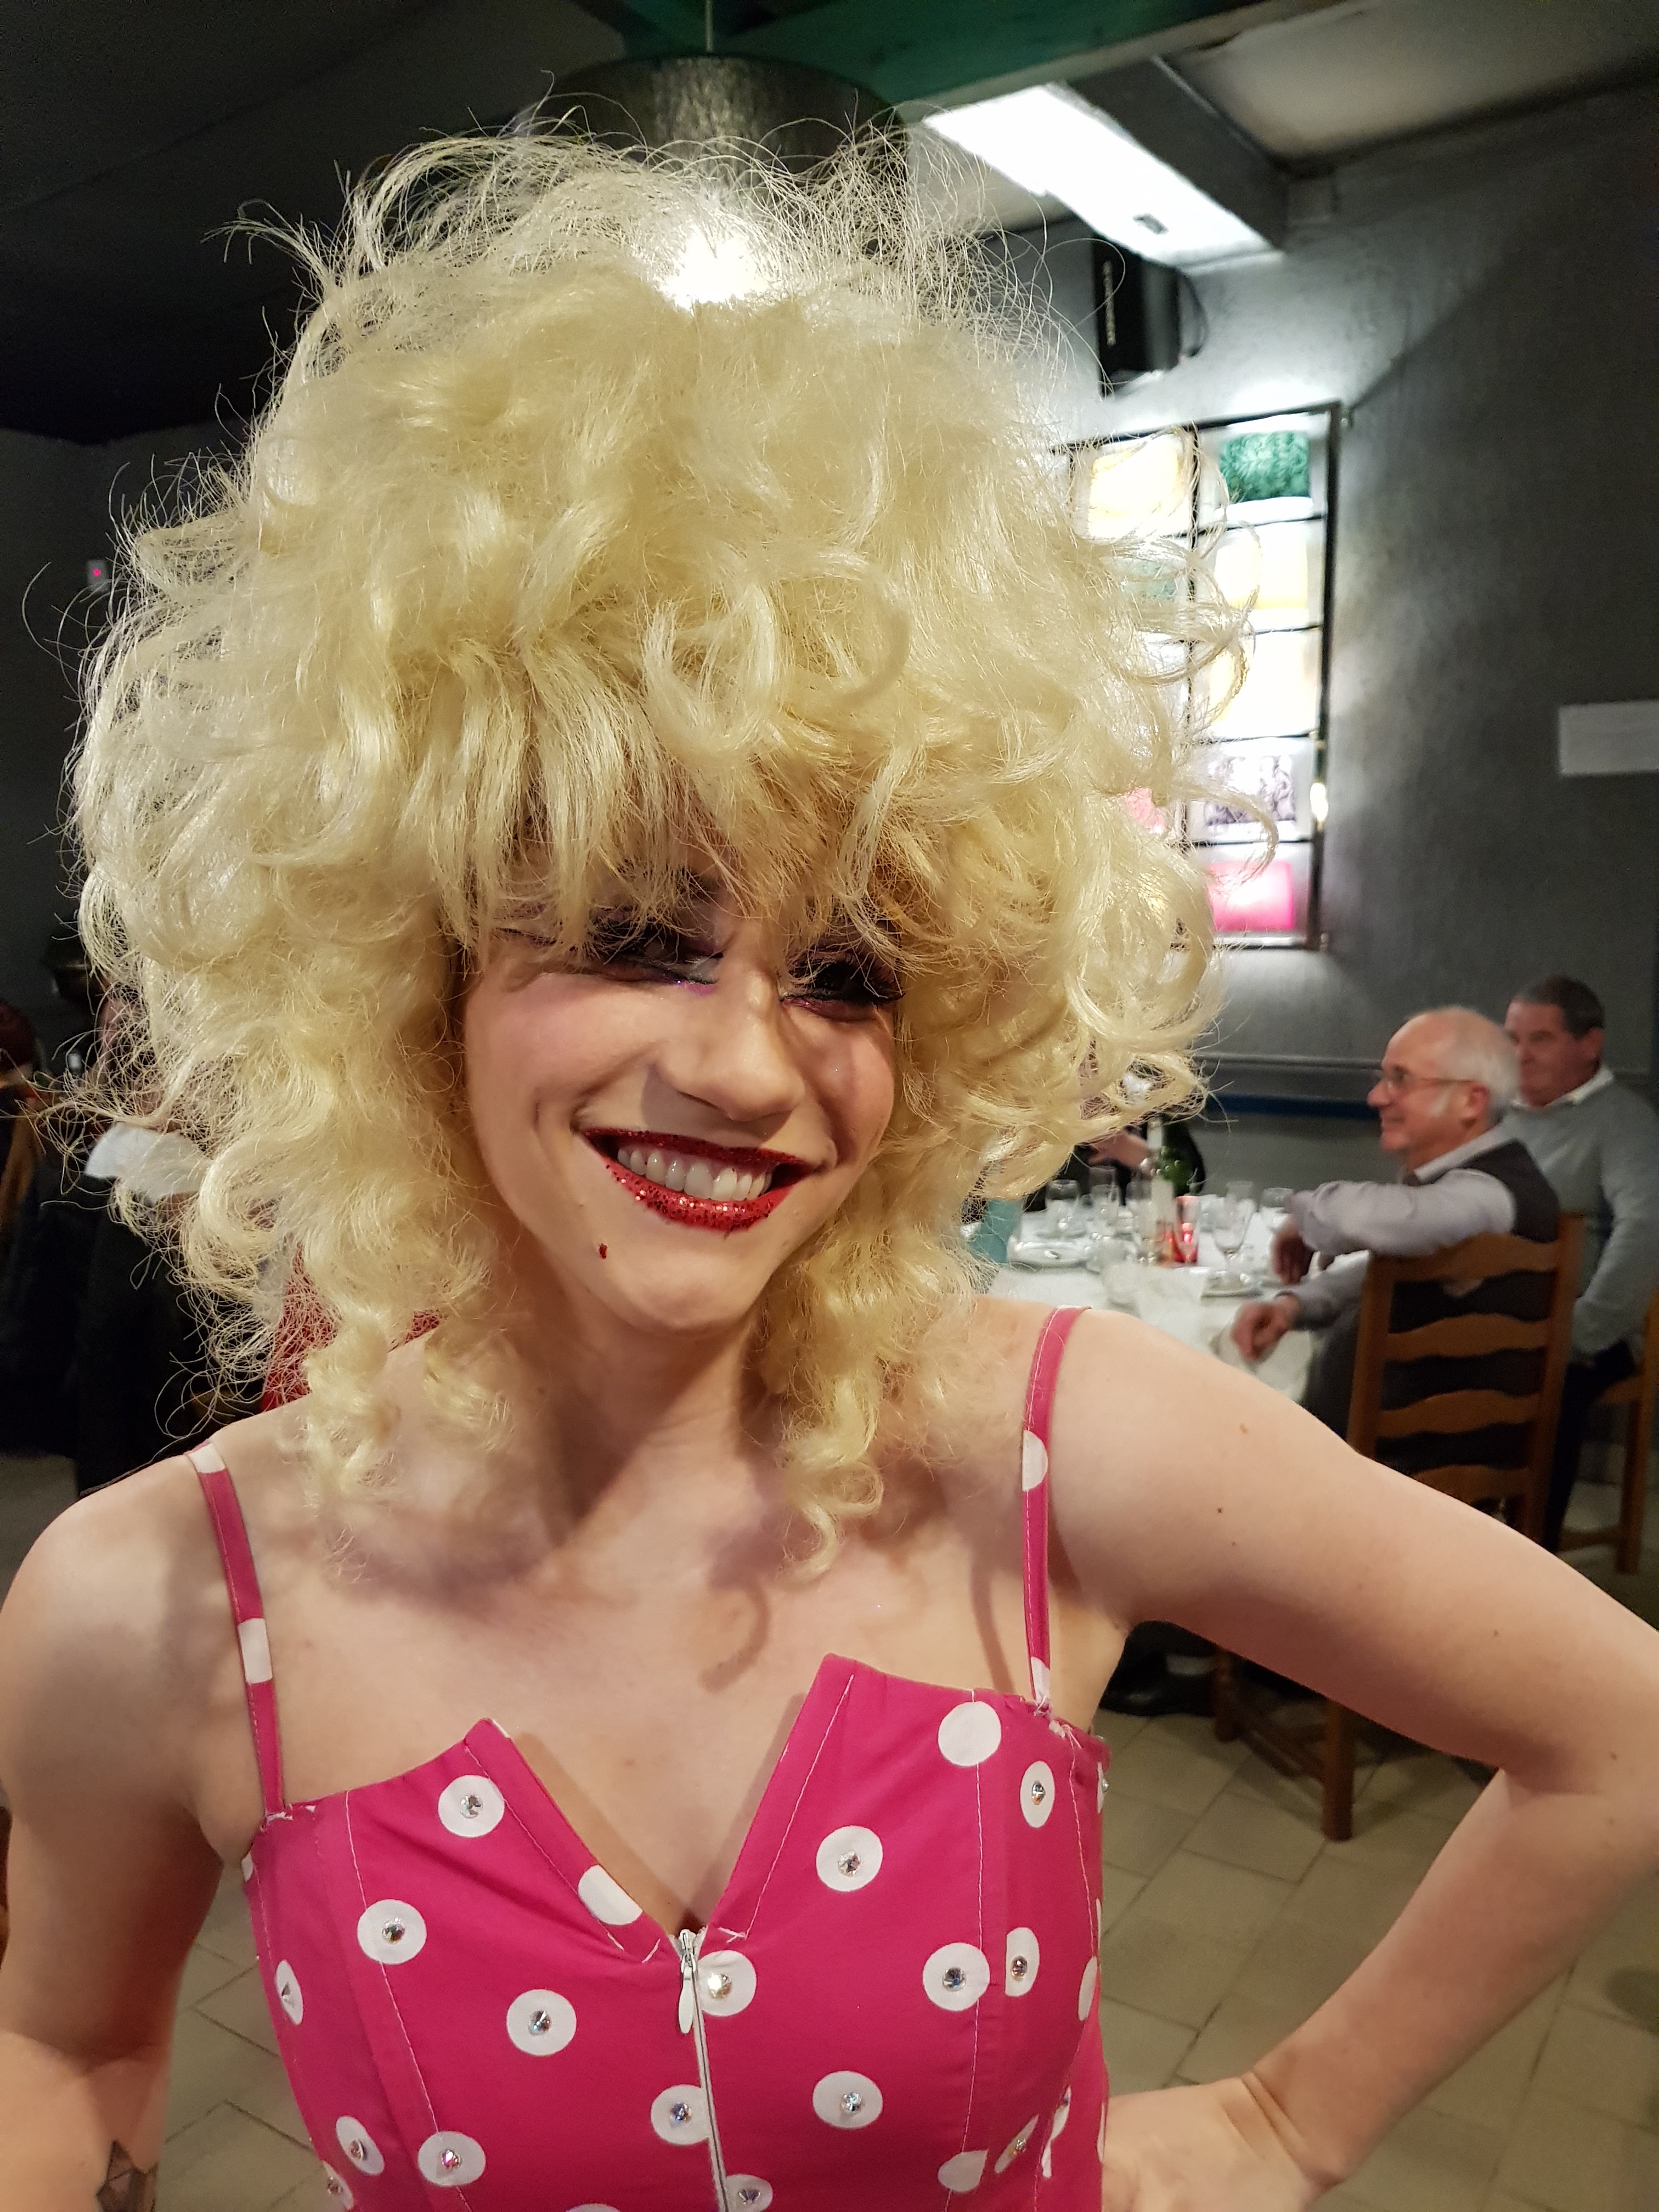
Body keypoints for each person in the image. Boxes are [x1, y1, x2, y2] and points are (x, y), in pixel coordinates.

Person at [3, 138, 1659, 2212]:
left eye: (850, 972)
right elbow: (64, 2043)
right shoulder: (159, 1602)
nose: (742, 1065)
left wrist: (1281, 2120)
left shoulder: (1051, 1450)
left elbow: (1618, 1730)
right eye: (631, 931)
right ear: (418, 974)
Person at [1231, 1009, 1560, 1462]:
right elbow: (1403, 1269)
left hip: (1408, 1471)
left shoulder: (1490, 1193)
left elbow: (1385, 1219)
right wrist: (1295, 1305)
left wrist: (1302, 1215)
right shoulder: (1469, 1185)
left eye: (1400, 1079)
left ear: (1471, 1101)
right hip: (1379, 1457)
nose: (1376, 1097)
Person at [1504, 976, 1659, 1550]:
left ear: (1590, 1044)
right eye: (1512, 1038)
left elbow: (1646, 1231)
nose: (1520, 1055)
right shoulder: (1494, 1114)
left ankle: (1531, 1560)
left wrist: (1578, 1333)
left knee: (1549, 1382)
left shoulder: (1625, 1122)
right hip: (1496, 1316)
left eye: (1540, 1039)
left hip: (1588, 1330)